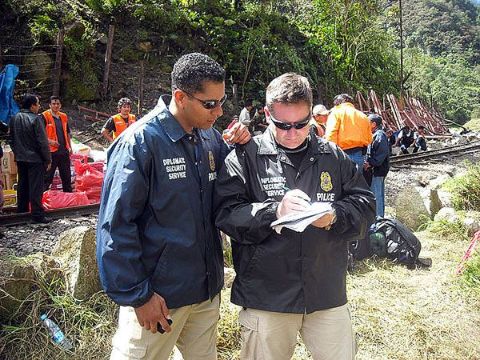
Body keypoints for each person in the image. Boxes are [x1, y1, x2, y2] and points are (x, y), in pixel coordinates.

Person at [96, 53, 250, 360]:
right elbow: (115, 226)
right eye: (210, 104)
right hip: (159, 298)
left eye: (222, 102)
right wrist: (139, 297)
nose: (219, 112)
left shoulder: (208, 138)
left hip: (204, 292)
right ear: (180, 97)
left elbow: (226, 186)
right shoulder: (140, 143)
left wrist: (240, 143)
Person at [214, 73, 375, 360]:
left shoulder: (333, 156)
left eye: (301, 124)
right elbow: (226, 215)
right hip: (267, 296)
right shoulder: (245, 157)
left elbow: (365, 204)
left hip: (325, 292)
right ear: (266, 114)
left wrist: (334, 215)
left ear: (312, 116)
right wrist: (273, 211)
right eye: (282, 125)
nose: (292, 132)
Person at [8, 94, 51, 223]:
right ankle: (37, 214)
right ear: (32, 106)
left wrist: (17, 152)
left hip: (21, 157)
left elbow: (11, 140)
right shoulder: (36, 119)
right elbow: (42, 142)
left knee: (22, 184)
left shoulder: (14, 118)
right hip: (35, 158)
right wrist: (47, 159)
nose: (39, 106)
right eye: (37, 104)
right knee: (35, 187)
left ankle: (22, 212)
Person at [325, 94, 372, 167]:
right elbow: (369, 138)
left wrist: (331, 153)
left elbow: (331, 134)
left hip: (341, 154)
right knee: (356, 178)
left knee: (340, 178)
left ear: (338, 103)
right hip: (359, 154)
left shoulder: (336, 113)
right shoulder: (363, 116)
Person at [41, 96, 72, 192]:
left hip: (63, 151)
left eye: (58, 104)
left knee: (66, 176)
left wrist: (70, 146)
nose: (56, 105)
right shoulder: (44, 116)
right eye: (53, 104)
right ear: (50, 105)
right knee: (47, 177)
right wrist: (50, 141)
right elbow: (39, 135)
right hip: (51, 152)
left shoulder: (63, 116)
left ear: (60, 105)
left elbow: (67, 132)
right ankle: (42, 199)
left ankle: (68, 198)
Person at [364, 114, 390, 218]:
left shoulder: (379, 135)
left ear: (373, 124)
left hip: (377, 171)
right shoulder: (376, 134)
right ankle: (378, 218)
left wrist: (370, 163)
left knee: (377, 195)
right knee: (376, 194)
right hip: (376, 170)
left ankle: (378, 220)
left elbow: (381, 154)